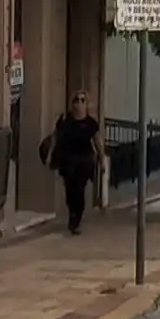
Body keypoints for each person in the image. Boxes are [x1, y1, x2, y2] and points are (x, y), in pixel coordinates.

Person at [47, 91, 105, 235]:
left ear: (86, 104)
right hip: (68, 161)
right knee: (69, 190)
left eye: (82, 100)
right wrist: (50, 154)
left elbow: (98, 142)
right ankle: (72, 212)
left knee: (79, 190)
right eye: (76, 100)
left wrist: (102, 160)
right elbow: (55, 136)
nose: (79, 103)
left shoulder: (90, 123)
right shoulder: (65, 120)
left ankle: (75, 219)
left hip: (84, 161)